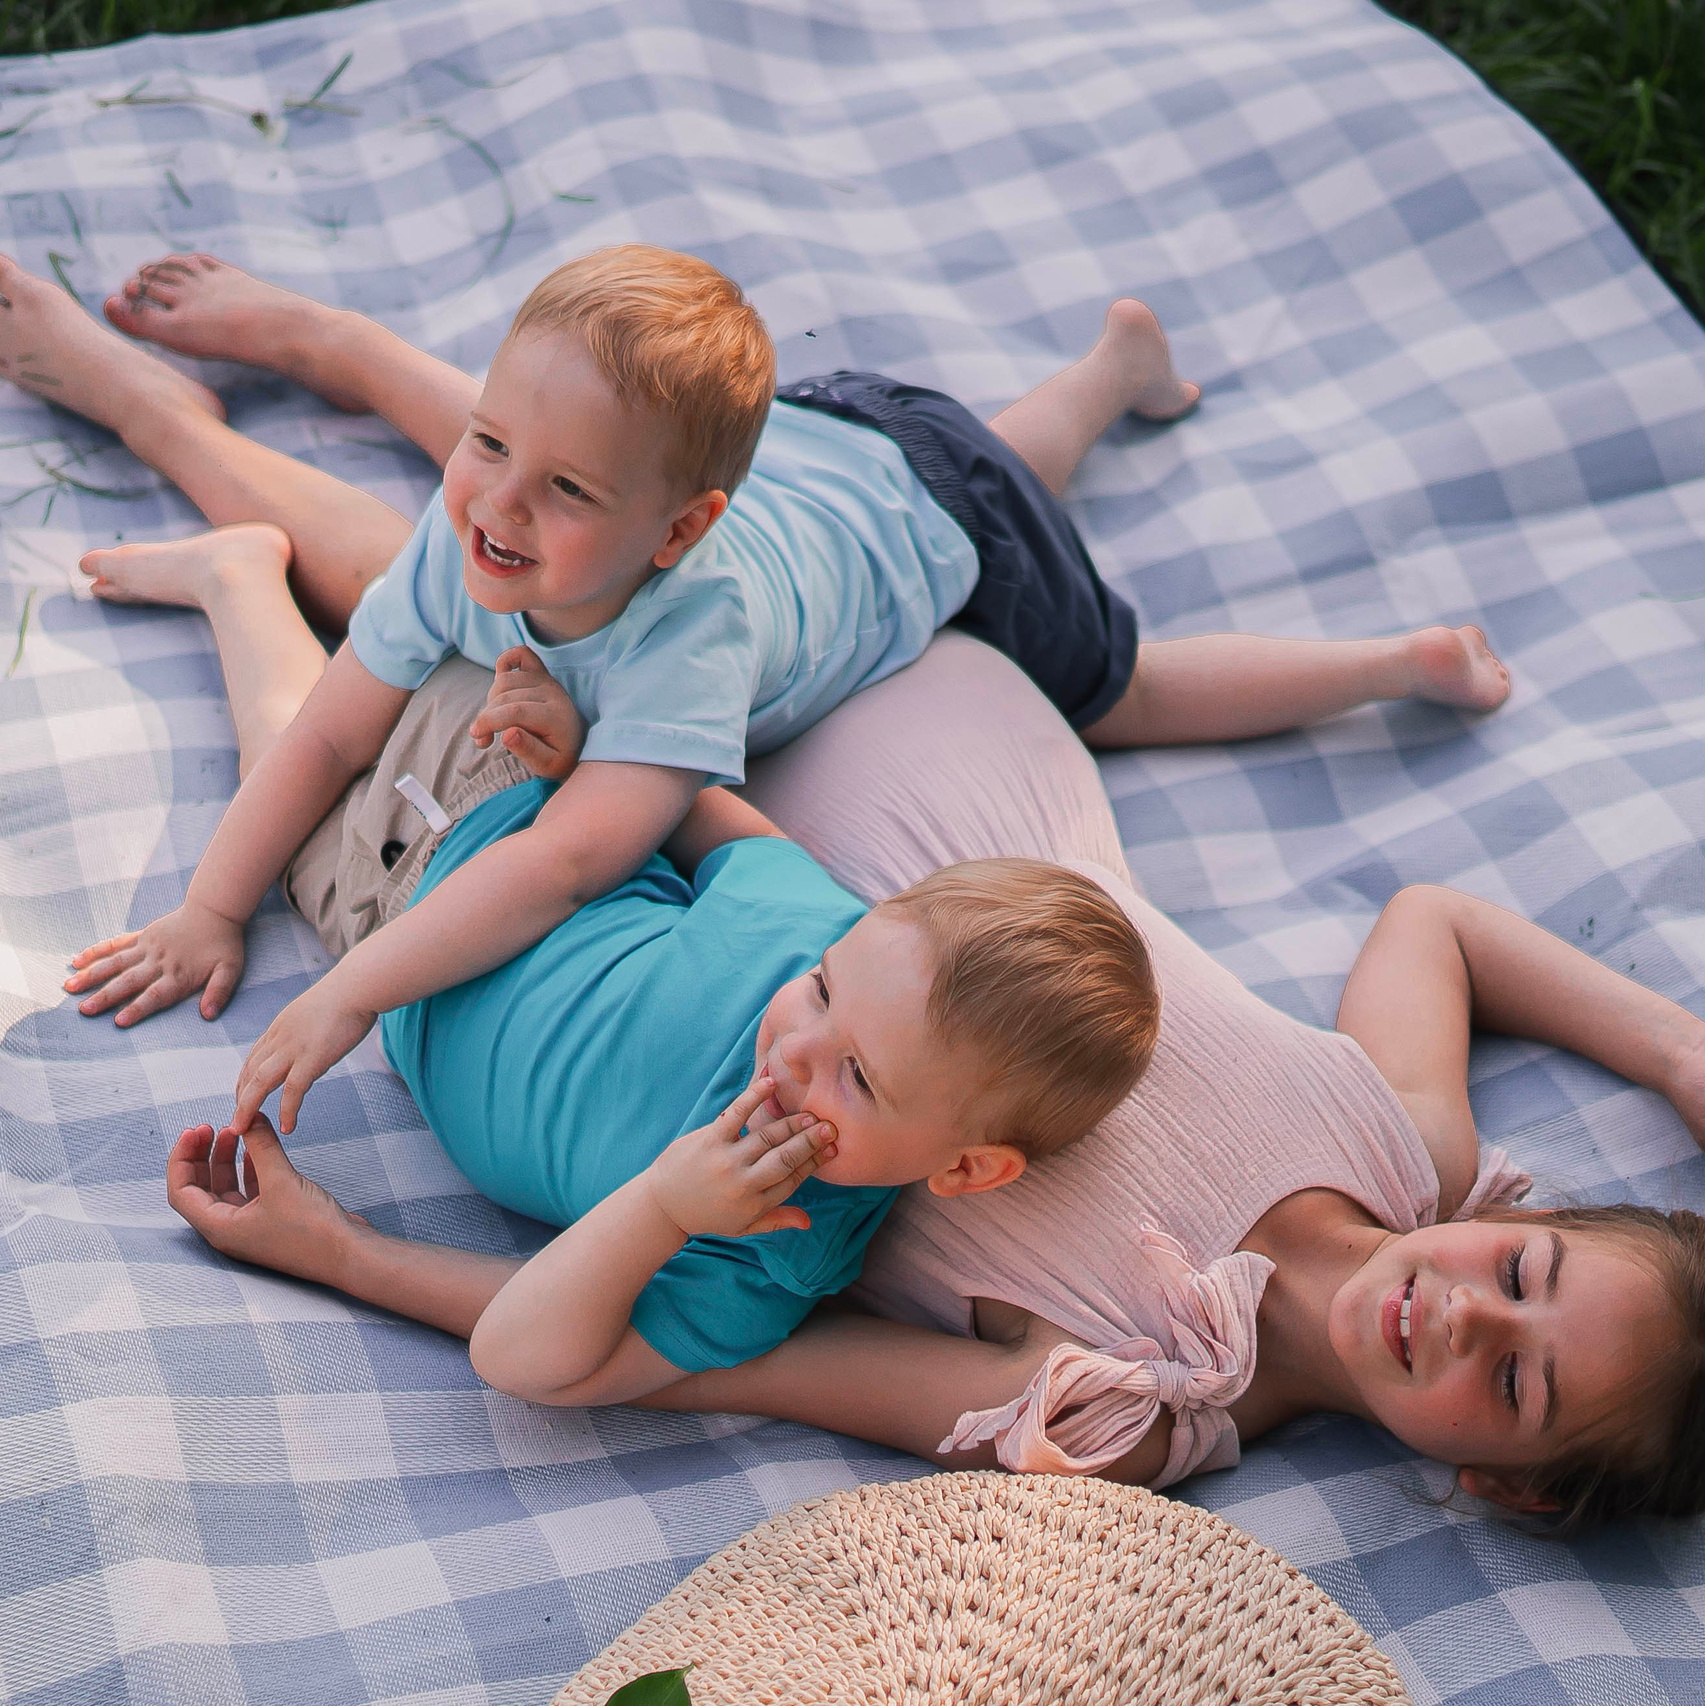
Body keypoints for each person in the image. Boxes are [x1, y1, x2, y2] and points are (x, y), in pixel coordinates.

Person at [170, 635, 1705, 1529]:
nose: (1465, 1312)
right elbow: (1434, 923)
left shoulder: (1118, 1415)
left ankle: (212, 504)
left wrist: (342, 1253)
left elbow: (694, 1361)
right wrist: (1675, 1049)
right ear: (1528, 1217)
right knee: (492, 561)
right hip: (873, 704)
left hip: (673, 851)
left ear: (1502, 1483)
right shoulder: (1407, 1145)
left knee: (358, 747)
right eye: (1524, 1270)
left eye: (1516, 1380)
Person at [0, 248, 1509, 1134]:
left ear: (677, 534)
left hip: (940, 517)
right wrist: (211, 904)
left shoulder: (690, 638)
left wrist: (352, 986)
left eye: (562, 488)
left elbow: (564, 858)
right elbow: (335, 722)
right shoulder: (498, 534)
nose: (496, 506)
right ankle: (337, 346)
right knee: (545, 470)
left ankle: (1380, 643)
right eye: (486, 445)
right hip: (819, 444)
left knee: (1119, 684)